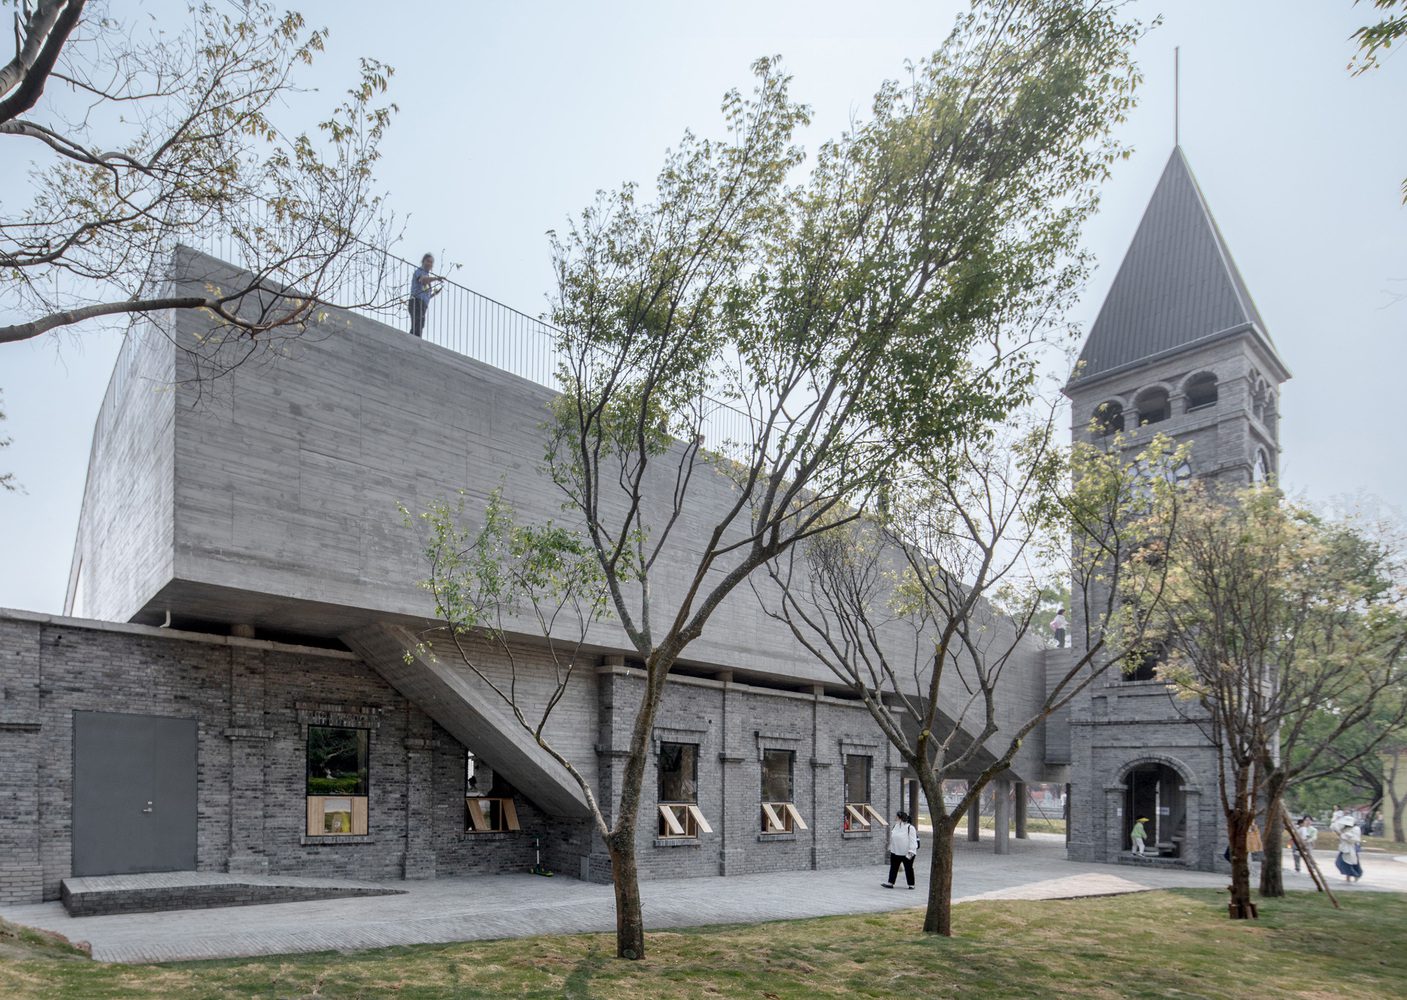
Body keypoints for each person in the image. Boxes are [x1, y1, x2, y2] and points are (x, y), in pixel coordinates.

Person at [882, 810, 920, 890]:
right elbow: (893, 838)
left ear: (900, 818)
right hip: (895, 852)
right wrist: (890, 848)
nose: (895, 818)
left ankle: (911, 884)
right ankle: (890, 883)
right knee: (893, 867)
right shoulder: (895, 826)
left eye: (896, 816)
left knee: (908, 868)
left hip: (907, 852)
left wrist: (911, 851)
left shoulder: (910, 828)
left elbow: (913, 841)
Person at [408, 253, 441, 338]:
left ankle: (414, 340)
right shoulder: (420, 271)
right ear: (423, 261)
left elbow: (425, 294)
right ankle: (413, 341)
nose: (429, 263)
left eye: (431, 262)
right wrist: (436, 278)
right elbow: (423, 280)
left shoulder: (427, 276)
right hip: (416, 302)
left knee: (419, 325)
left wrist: (434, 294)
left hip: (422, 304)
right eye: (428, 261)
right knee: (417, 325)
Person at [1334, 818, 1363, 883]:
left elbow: (1353, 839)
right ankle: (1348, 877)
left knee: (1348, 864)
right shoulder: (1345, 828)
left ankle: (1355, 875)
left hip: (1350, 849)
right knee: (1343, 863)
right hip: (1344, 849)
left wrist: (1342, 835)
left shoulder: (1355, 829)